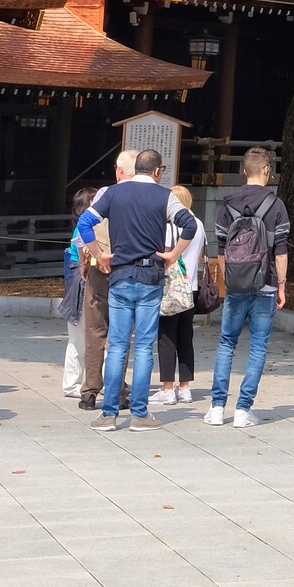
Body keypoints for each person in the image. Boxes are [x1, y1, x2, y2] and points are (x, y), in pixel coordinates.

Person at [78, 147, 196, 431]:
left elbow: (85, 222)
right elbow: (189, 224)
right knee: (143, 347)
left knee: (117, 345)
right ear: (157, 171)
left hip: (118, 276)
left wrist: (98, 254)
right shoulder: (164, 196)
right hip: (150, 277)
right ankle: (140, 414)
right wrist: (173, 254)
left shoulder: (113, 194)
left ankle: (108, 414)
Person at [207, 144, 289, 428]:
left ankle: (217, 407)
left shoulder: (227, 203)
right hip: (265, 283)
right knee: (258, 346)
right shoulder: (276, 205)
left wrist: (227, 280)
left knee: (227, 343)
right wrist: (281, 285)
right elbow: (280, 250)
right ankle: (243, 410)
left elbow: (220, 248)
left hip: (236, 284)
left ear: (244, 171)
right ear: (267, 170)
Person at [77, 148, 134, 409]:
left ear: (119, 171)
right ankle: (119, 391)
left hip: (101, 267)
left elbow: (83, 230)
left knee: (95, 331)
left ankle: (89, 391)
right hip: (130, 269)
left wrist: (91, 259)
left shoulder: (104, 194)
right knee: (121, 335)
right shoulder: (149, 197)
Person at [154, 182, 205, 405]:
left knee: (166, 337)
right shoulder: (200, 224)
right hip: (191, 287)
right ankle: (185, 386)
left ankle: (167, 387)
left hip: (171, 288)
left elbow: (166, 255)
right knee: (186, 337)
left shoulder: (171, 226)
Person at [61, 187, 98, 399]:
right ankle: (72, 383)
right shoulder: (84, 229)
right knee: (78, 338)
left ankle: (81, 380)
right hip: (81, 282)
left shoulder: (86, 227)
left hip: (80, 281)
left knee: (84, 337)